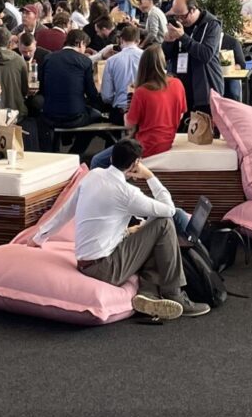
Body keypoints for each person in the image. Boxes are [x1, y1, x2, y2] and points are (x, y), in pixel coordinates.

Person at [37, 138, 211, 323]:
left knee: (150, 230)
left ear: (111, 157)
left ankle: (148, 294)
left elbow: (66, 212)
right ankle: (174, 293)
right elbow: (169, 210)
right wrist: (150, 176)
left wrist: (39, 237)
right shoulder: (127, 193)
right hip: (105, 268)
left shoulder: (93, 175)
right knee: (164, 223)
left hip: (85, 262)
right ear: (136, 163)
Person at [124, 44, 189, 159]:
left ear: (143, 65)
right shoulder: (178, 84)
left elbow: (129, 124)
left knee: (98, 160)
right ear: (163, 61)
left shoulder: (141, 92)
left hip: (144, 148)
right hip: (168, 142)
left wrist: (130, 96)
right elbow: (180, 115)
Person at [166, 0, 224, 115]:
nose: (180, 20)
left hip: (204, 89)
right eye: (176, 16)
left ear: (193, 9)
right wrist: (168, 42)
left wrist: (183, 37)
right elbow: (165, 57)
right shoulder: (178, 24)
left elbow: (206, 54)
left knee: (203, 130)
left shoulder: (212, 25)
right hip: (180, 88)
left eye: (182, 16)